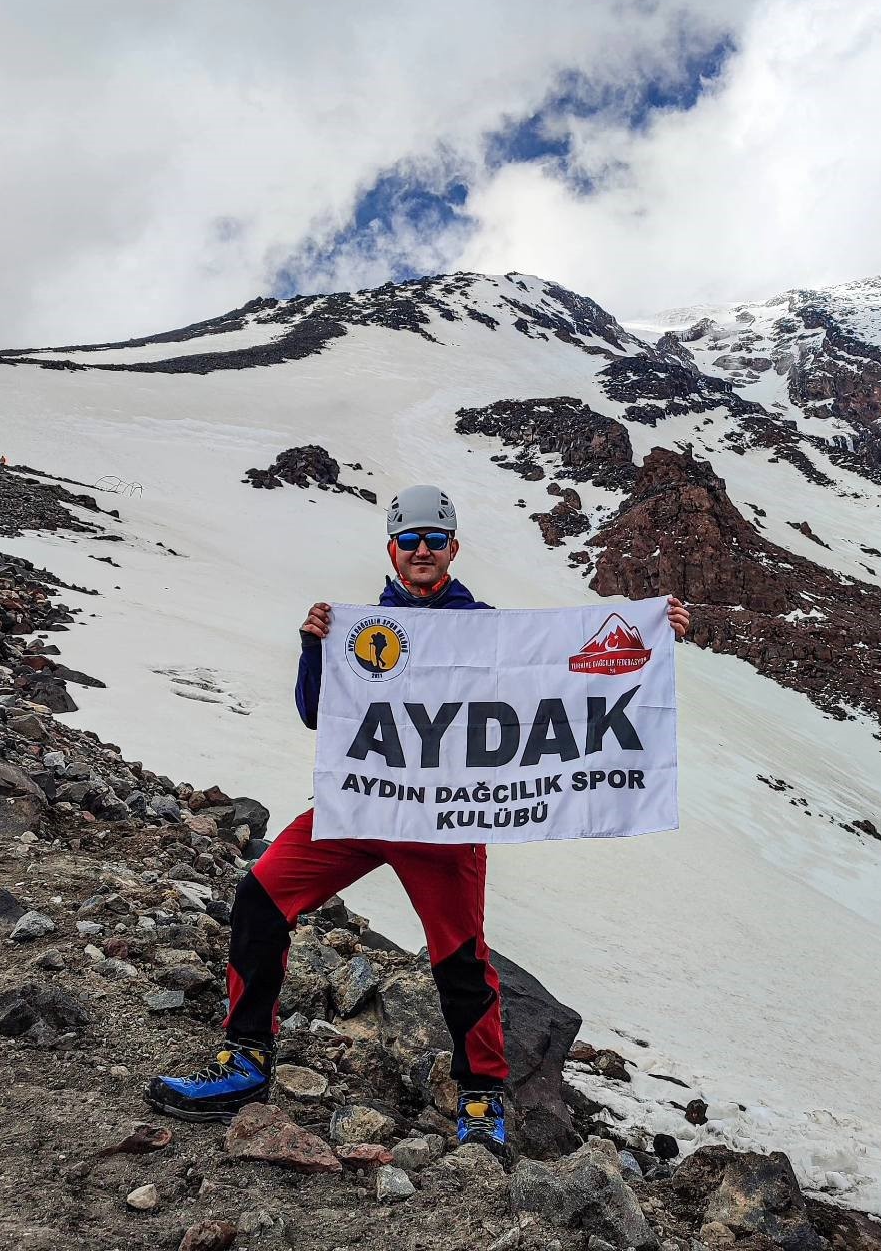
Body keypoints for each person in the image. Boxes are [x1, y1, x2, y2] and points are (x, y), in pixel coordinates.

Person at [147, 484, 690, 1155]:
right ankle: (247, 1061)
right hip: (364, 805)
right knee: (260, 898)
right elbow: (318, 713)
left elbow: (559, 675)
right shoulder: (363, 628)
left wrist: (651, 631)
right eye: (411, 541)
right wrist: (314, 645)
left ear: (453, 549)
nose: (423, 551)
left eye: (436, 540)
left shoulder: (487, 627)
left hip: (444, 823)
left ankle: (482, 1093)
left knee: (459, 961)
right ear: (394, 551)